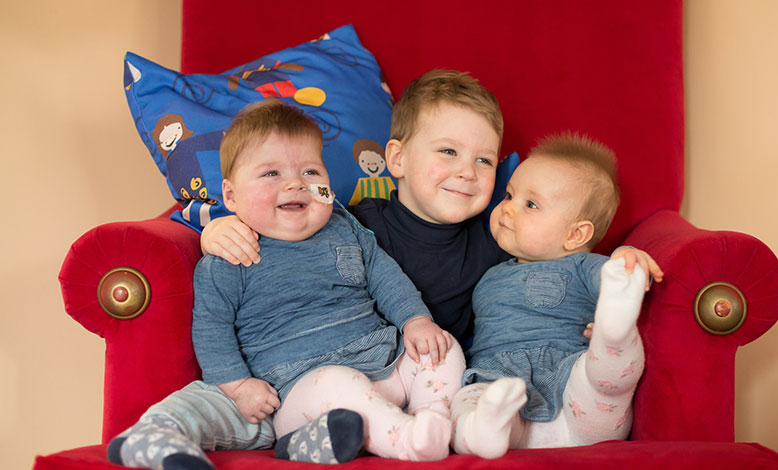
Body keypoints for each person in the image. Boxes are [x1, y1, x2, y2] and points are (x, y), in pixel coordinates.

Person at [108, 100, 465, 470]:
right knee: (334, 385)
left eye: (311, 172)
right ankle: (408, 440)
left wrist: (416, 321)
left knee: (441, 347)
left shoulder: (345, 227)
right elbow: (212, 329)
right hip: (298, 390)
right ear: (231, 197)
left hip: (384, 364)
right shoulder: (232, 253)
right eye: (271, 174)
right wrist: (238, 385)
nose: (296, 183)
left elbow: (386, 278)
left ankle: (431, 416)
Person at [203, 69, 510, 346]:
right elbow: (283, 226)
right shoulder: (351, 223)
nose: (468, 171)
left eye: (485, 160)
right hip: (338, 360)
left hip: (427, 376)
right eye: (448, 151)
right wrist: (217, 230)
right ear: (397, 159)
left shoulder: (490, 246)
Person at [450, 133, 664, 459]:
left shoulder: (581, 265)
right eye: (509, 195)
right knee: (467, 401)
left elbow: (608, 274)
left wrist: (625, 258)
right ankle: (487, 427)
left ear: (576, 235)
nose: (507, 208)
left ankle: (614, 340)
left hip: (571, 396)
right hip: (500, 383)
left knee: (596, 382)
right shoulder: (489, 274)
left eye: (530, 204)